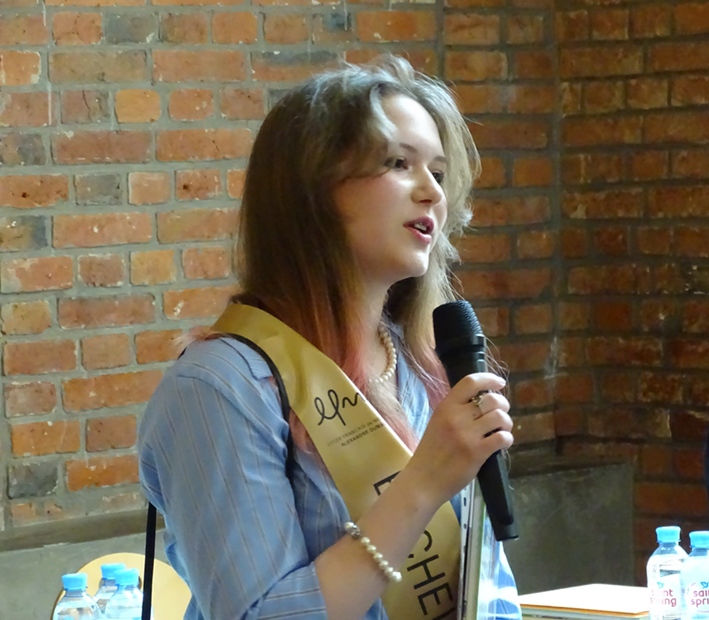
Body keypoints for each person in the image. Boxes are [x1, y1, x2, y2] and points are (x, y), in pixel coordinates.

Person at [138, 56, 521, 620]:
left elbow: (487, 590)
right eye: (398, 163)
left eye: (438, 174)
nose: (432, 194)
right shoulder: (220, 386)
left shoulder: (425, 363)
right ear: (314, 190)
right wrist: (421, 485)